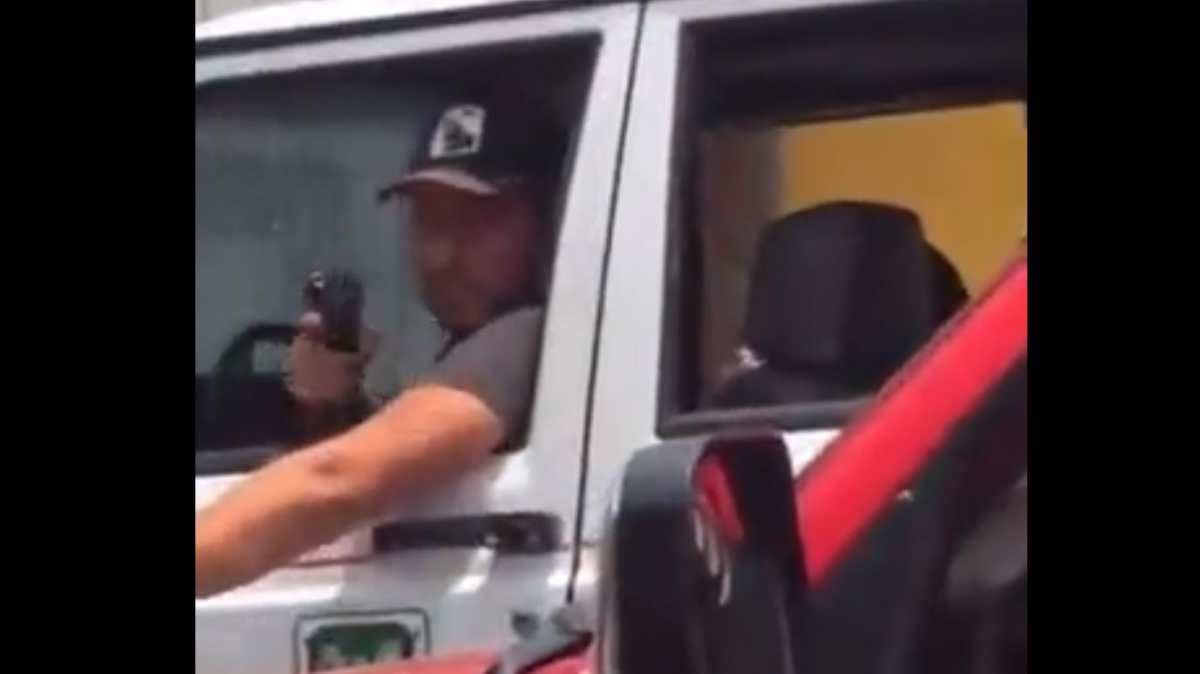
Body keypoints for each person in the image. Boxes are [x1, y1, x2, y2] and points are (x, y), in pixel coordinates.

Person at [196, 98, 561, 598]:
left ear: (545, 222)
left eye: (479, 220)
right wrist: (332, 408)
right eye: (430, 222)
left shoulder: (524, 334)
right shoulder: (482, 344)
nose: (442, 255)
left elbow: (339, 480)